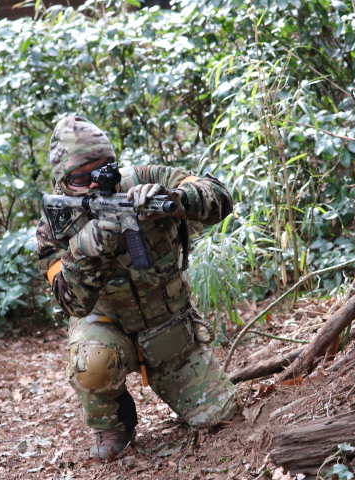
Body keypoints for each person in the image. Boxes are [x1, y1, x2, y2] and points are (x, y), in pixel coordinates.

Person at [36, 115, 240, 461]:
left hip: (170, 333)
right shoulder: (55, 225)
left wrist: (176, 199)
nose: (95, 184)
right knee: (92, 362)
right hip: (107, 331)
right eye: (81, 178)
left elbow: (220, 197)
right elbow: (72, 304)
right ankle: (114, 422)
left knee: (225, 420)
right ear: (61, 182)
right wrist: (83, 250)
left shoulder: (147, 179)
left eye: (104, 171)